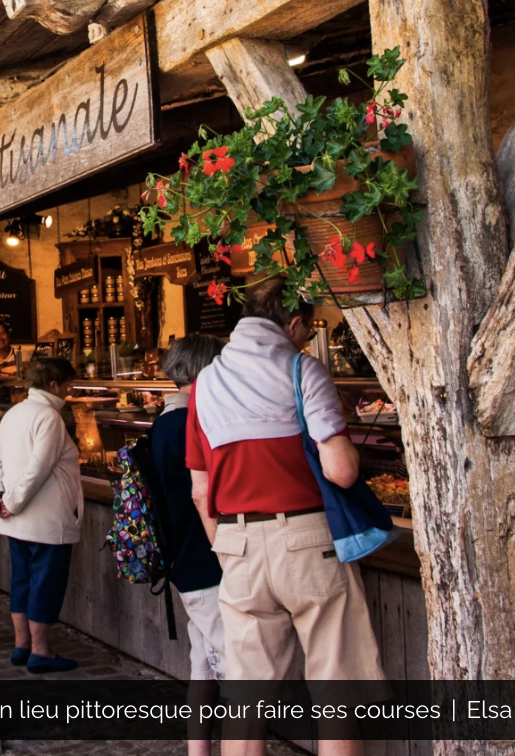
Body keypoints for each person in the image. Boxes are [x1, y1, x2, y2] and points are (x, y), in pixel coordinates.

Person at [187, 277, 382, 756]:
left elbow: (200, 490)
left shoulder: (204, 383)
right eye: (309, 328)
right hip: (307, 538)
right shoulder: (301, 369)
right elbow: (339, 471)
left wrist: (229, 546)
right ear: (293, 323)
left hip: (237, 544)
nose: (308, 337)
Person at [147, 336, 229, 728]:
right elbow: (205, 495)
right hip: (205, 561)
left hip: (183, 561)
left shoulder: (163, 423)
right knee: (236, 671)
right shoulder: (192, 424)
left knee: (203, 667)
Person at [0, 356, 81, 674]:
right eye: (67, 385)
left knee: (22, 581)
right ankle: (41, 651)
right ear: (54, 385)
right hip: (46, 520)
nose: (69, 391)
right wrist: (12, 501)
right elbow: (37, 471)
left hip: (16, 521)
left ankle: (21, 645)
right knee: (44, 583)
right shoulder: (50, 418)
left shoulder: (14, 412)